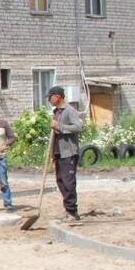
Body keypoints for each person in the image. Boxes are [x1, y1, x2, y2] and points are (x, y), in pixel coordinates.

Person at [48, 85, 83, 221]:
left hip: (68, 152)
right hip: (59, 152)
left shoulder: (69, 110)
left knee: (68, 182)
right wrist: (52, 154)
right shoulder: (57, 112)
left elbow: (78, 127)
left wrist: (59, 126)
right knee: (61, 181)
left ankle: (72, 212)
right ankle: (69, 210)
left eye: (50, 97)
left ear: (57, 97)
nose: (49, 100)